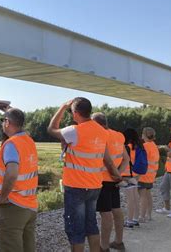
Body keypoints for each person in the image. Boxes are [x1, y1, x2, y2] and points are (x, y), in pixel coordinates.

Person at [47, 98, 121, 252]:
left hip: (76, 187)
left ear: (75, 113)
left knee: (76, 230)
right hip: (95, 186)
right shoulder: (102, 132)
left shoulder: (74, 131)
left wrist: (61, 107)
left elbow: (51, 129)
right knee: (91, 225)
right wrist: (115, 174)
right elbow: (106, 159)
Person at [0, 108, 39, 252]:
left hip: (13, 205)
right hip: (30, 205)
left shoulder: (11, 144)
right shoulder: (28, 141)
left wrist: (3, 197)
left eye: (3, 120)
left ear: (7, 122)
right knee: (28, 246)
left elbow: (11, 173)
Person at [91, 113, 130, 252]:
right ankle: (119, 242)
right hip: (114, 181)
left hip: (102, 180)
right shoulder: (119, 135)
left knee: (105, 213)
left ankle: (104, 247)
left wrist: (114, 174)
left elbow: (106, 160)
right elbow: (126, 159)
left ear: (96, 124)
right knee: (116, 210)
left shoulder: (101, 135)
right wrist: (118, 174)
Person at [121, 128, 143, 228]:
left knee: (130, 198)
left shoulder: (127, 147)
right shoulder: (138, 146)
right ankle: (135, 219)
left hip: (127, 174)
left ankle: (129, 221)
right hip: (136, 174)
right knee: (135, 197)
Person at [138, 127, 160, 222]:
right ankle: (149, 215)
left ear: (144, 135)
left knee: (142, 196)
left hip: (144, 175)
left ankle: (142, 217)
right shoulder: (154, 146)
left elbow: (141, 160)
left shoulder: (145, 146)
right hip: (151, 175)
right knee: (148, 194)